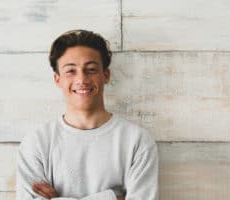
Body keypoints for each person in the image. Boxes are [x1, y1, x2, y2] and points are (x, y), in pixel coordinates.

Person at [16, 29, 159, 200]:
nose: (82, 79)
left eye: (91, 69)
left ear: (105, 75)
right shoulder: (36, 143)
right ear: (57, 79)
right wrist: (112, 197)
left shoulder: (137, 141)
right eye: (71, 71)